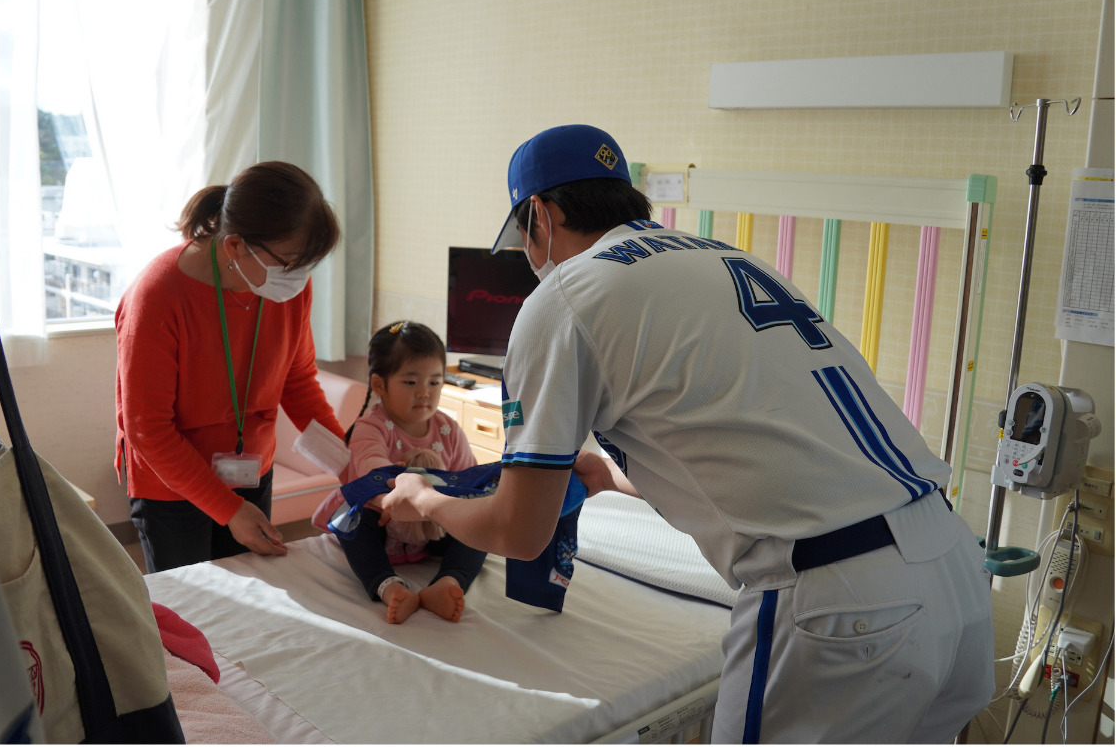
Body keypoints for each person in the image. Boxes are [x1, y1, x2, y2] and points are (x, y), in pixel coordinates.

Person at [382, 125, 995, 742]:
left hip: (842, 603)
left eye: (522, 236)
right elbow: (750, 436)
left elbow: (519, 532)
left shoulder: (564, 297)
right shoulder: (728, 257)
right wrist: (612, 474)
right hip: (955, 568)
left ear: (538, 215)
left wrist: (425, 498)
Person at [115, 161, 345, 573]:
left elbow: (298, 383)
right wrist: (229, 509)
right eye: (291, 260)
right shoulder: (157, 297)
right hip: (173, 483)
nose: (300, 275)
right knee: (190, 601)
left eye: (308, 262)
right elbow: (148, 429)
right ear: (235, 246)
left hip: (251, 469)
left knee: (250, 587)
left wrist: (350, 466)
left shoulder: (286, 285)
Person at [313, 321, 487, 624]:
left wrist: (463, 508)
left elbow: (469, 483)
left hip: (432, 527)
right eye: (410, 382)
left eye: (434, 382)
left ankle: (448, 582)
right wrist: (407, 497)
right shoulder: (371, 427)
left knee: (480, 525)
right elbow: (374, 474)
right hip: (383, 522)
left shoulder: (449, 429)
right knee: (352, 522)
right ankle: (388, 585)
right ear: (379, 385)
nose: (424, 393)